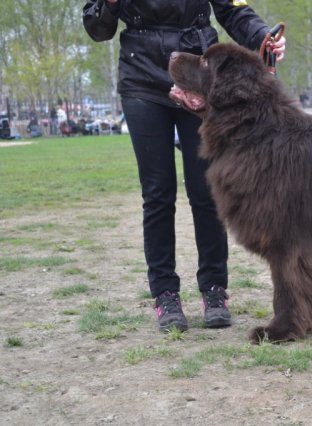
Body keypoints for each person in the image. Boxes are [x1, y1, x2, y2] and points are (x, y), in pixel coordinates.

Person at [83, 0, 286, 333]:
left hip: (199, 74)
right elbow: (97, 29)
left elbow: (233, 10)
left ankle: (214, 289)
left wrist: (264, 36)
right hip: (142, 79)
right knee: (158, 193)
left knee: (206, 191)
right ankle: (165, 294)